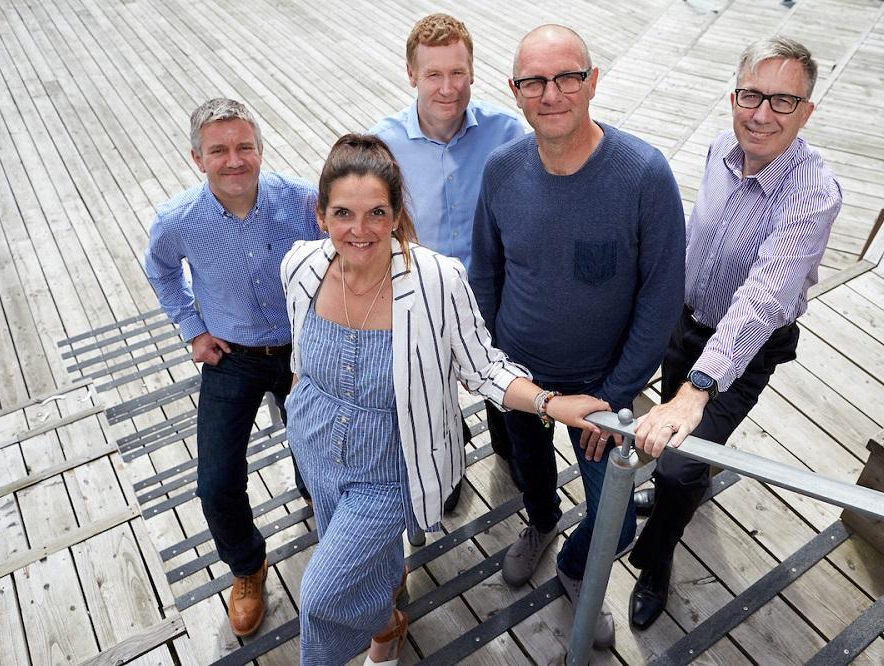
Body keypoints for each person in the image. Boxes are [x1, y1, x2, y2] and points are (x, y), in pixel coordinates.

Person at [281, 134, 609, 666]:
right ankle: (388, 625)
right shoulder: (300, 266)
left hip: (390, 465)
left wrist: (553, 403)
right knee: (372, 563)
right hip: (314, 445)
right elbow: (299, 350)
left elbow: (484, 369)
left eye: (375, 213)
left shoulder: (437, 280)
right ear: (320, 216)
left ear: (395, 216)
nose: (359, 230)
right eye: (342, 213)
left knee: (321, 597)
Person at [469, 25, 686, 648]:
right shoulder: (502, 170)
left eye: (567, 77)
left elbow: (660, 296)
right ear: (515, 92)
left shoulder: (642, 174)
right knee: (529, 474)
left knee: (614, 523)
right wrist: (495, 365)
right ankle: (540, 526)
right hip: (520, 378)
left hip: (603, 388)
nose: (552, 93)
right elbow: (486, 270)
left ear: (593, 82)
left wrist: (617, 396)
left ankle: (575, 565)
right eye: (534, 81)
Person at [626, 36, 843, 630]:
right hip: (686, 321)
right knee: (674, 453)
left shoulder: (813, 194)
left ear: (807, 111)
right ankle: (674, 498)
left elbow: (764, 298)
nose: (762, 114)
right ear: (733, 97)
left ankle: (656, 559)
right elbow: (696, 239)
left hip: (743, 353)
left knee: (677, 464)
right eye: (752, 95)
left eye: (782, 100)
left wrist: (697, 389)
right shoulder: (722, 146)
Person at [144, 98, 319, 637]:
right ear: (198, 158)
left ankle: (321, 504)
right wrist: (193, 329)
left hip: (303, 349)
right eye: (219, 150)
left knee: (320, 456)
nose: (234, 160)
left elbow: (343, 254)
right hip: (232, 357)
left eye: (245, 146)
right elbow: (161, 271)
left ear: (261, 149)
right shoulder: (179, 221)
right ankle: (247, 567)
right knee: (216, 482)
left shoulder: (302, 200)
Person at [372, 13, 527, 506]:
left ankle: (511, 451)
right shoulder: (385, 144)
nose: (447, 87)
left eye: (457, 72)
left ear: (473, 71)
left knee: (507, 391)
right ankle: (448, 466)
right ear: (411, 73)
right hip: (421, 293)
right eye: (433, 74)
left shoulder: (507, 132)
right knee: (434, 398)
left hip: (495, 290)